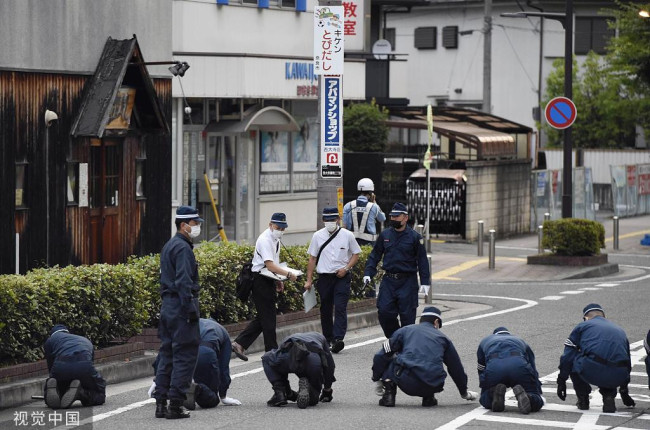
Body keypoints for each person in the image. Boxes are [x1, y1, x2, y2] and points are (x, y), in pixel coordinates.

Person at [153, 205, 203, 420]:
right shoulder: (183, 248)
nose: (198, 227)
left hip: (168, 307)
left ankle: (161, 403)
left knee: (166, 355)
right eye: (195, 224)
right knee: (185, 355)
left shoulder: (169, 245)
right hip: (181, 307)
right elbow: (183, 281)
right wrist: (190, 308)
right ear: (184, 225)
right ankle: (175, 404)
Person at [371, 307, 477, 407]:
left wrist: (377, 378)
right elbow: (456, 368)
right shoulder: (444, 339)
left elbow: (380, 356)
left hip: (407, 383)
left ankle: (389, 396)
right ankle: (428, 397)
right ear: (436, 322)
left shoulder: (405, 331)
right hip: (433, 384)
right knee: (432, 364)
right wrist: (464, 392)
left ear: (421, 320)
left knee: (389, 356)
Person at [232, 213, 298, 360]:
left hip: (267, 278)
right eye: (277, 227)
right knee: (268, 318)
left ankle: (240, 344)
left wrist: (278, 280)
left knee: (265, 317)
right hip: (259, 280)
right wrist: (287, 275)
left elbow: (274, 264)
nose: (280, 230)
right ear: (270, 225)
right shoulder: (264, 239)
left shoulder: (276, 239)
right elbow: (269, 265)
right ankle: (271, 353)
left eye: (282, 228)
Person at [363, 202, 430, 338]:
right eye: (392, 216)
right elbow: (375, 255)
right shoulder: (385, 235)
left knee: (407, 318)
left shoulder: (415, 237)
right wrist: (368, 273)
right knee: (384, 312)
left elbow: (422, 261)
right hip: (389, 281)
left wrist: (425, 282)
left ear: (405, 218)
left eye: (397, 216)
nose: (393, 219)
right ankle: (395, 339)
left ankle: (405, 346)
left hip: (408, 282)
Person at [556, 303, 635, 413]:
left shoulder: (582, 326)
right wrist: (624, 390)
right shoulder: (619, 329)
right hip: (618, 375)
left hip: (594, 371)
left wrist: (561, 380)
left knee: (573, 357)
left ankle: (583, 399)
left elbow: (566, 357)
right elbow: (627, 363)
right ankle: (608, 396)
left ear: (586, 318)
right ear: (604, 316)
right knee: (612, 359)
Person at [304, 207, 361, 353]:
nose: (330, 222)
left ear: (338, 219)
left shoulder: (347, 235)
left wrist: (346, 268)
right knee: (326, 308)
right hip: (324, 278)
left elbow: (356, 254)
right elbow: (312, 258)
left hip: (342, 277)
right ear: (323, 220)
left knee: (340, 307)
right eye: (327, 220)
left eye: (333, 219)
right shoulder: (317, 236)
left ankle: (338, 339)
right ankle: (327, 339)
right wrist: (308, 280)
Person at [150, 318, 242, 409]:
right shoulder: (222, 331)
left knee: (177, 375)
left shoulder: (187, 323)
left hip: (182, 350)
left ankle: (174, 393)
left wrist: (158, 379)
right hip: (205, 352)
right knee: (212, 400)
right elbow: (223, 369)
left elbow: (165, 350)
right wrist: (223, 396)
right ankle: (198, 388)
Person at [477, 327, 544, 414]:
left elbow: (481, 369)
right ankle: (529, 397)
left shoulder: (485, 341)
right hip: (518, 366)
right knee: (536, 399)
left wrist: (485, 389)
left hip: (495, 368)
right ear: (508, 333)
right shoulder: (519, 340)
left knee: (485, 399)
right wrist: (536, 390)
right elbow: (532, 368)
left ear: (494, 334)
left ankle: (493, 395)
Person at [262, 332, 336, 409]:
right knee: (312, 400)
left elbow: (275, 358)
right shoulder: (320, 337)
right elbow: (330, 366)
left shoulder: (290, 337)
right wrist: (327, 390)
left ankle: (281, 393)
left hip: (289, 355)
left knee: (268, 359)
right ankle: (309, 391)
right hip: (312, 360)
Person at [43, 324, 106, 409]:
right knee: (99, 395)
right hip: (84, 366)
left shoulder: (50, 340)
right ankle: (81, 393)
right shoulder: (84, 339)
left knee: (58, 382)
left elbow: (51, 364)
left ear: (53, 333)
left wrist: (53, 378)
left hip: (61, 366)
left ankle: (58, 392)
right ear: (67, 332)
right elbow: (91, 363)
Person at [343, 178, 386, 246]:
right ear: (371, 193)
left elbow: (344, 225)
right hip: (369, 244)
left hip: (352, 243)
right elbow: (382, 218)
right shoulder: (374, 207)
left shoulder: (348, 205)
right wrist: (374, 202)